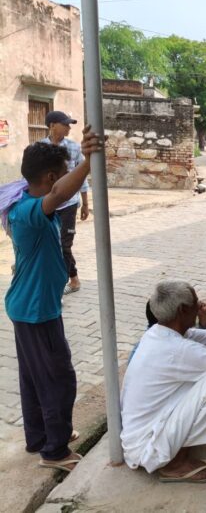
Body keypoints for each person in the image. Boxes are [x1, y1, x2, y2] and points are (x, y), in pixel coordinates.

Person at [5, 127, 103, 472]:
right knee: (58, 378)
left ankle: (40, 437)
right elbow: (59, 194)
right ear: (49, 177)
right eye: (61, 174)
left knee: (34, 377)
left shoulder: (23, 204)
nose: (64, 180)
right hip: (36, 311)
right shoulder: (32, 211)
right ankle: (56, 451)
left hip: (28, 308)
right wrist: (88, 164)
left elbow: (57, 192)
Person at [120, 283, 206, 481]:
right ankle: (174, 464)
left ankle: (174, 447)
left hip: (139, 437)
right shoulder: (178, 348)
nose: (201, 305)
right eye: (196, 302)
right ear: (182, 310)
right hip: (147, 447)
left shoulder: (161, 332)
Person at [41, 111, 89, 295]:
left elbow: (82, 176)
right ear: (52, 125)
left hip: (69, 203)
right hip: (48, 204)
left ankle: (58, 288)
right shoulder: (39, 147)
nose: (69, 127)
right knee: (53, 244)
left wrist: (85, 203)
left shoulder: (74, 148)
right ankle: (74, 279)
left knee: (64, 245)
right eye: (65, 124)